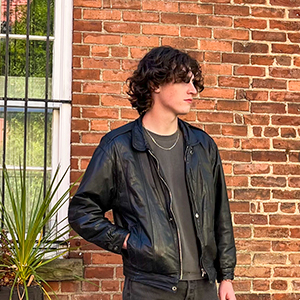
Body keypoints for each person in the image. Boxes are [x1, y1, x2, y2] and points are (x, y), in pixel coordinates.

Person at [68, 46, 236, 300]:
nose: (193, 90)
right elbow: (82, 211)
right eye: (183, 81)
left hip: (204, 285)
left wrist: (226, 278)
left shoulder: (202, 145)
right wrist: (128, 241)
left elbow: (220, 215)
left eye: (193, 82)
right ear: (155, 84)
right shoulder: (119, 147)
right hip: (149, 288)